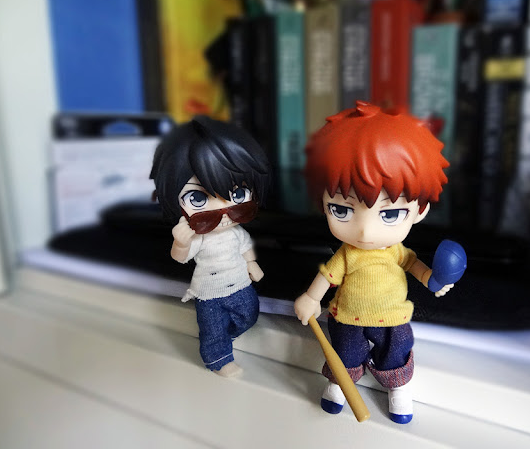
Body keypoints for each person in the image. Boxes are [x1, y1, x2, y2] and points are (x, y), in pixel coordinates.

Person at [294, 101, 453, 423]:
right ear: (322, 203)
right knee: (344, 352)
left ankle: (398, 386)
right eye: (342, 210)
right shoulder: (347, 254)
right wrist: (311, 297)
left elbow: (413, 265)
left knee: (395, 351)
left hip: (392, 317)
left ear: (420, 210)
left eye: (390, 214)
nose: (365, 231)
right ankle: (340, 382)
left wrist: (432, 279)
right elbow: (328, 276)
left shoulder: (397, 251)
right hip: (348, 316)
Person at [151, 115, 271, 377]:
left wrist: (251, 263)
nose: (223, 211)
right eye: (198, 198)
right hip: (210, 293)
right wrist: (180, 242)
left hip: (240, 284)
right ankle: (218, 358)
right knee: (212, 329)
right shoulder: (200, 237)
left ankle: (226, 336)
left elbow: (245, 246)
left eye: (237, 195)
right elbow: (180, 258)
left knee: (249, 315)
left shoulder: (236, 232)